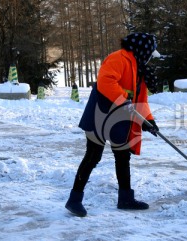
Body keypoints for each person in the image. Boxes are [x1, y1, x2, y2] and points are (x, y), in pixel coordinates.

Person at [65, 32, 161, 217]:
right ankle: (74, 199)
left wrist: (148, 120)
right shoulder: (119, 58)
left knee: (123, 156)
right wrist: (124, 99)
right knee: (93, 156)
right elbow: (105, 81)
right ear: (144, 50)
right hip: (100, 114)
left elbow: (141, 98)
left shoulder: (138, 67)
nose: (150, 59)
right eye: (150, 54)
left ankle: (125, 198)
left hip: (119, 118)